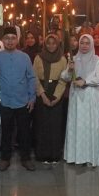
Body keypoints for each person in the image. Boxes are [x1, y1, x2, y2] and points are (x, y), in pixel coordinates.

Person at [0, 27, 37, 171]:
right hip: (4, 100)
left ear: (17, 40)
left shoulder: (24, 57)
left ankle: (26, 158)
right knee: (6, 131)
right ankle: (5, 158)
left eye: (13, 38)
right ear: (2, 40)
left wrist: (32, 97)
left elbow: (31, 78)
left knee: (24, 131)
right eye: (7, 38)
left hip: (22, 100)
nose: (10, 41)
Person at [62, 34, 99, 167]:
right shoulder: (74, 59)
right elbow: (65, 77)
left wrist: (86, 81)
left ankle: (90, 156)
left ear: (92, 44)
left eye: (88, 43)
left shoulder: (98, 60)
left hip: (91, 96)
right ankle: (76, 156)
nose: (85, 46)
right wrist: (70, 69)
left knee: (90, 125)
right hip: (76, 97)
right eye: (82, 43)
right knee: (77, 125)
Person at [33, 33, 68, 164]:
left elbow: (64, 79)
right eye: (48, 43)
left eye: (54, 43)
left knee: (55, 125)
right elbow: (34, 77)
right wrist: (42, 94)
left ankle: (54, 154)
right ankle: (42, 154)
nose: (51, 45)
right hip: (42, 91)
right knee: (42, 124)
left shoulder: (63, 59)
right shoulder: (38, 58)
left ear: (58, 44)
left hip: (56, 92)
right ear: (45, 44)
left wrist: (57, 97)